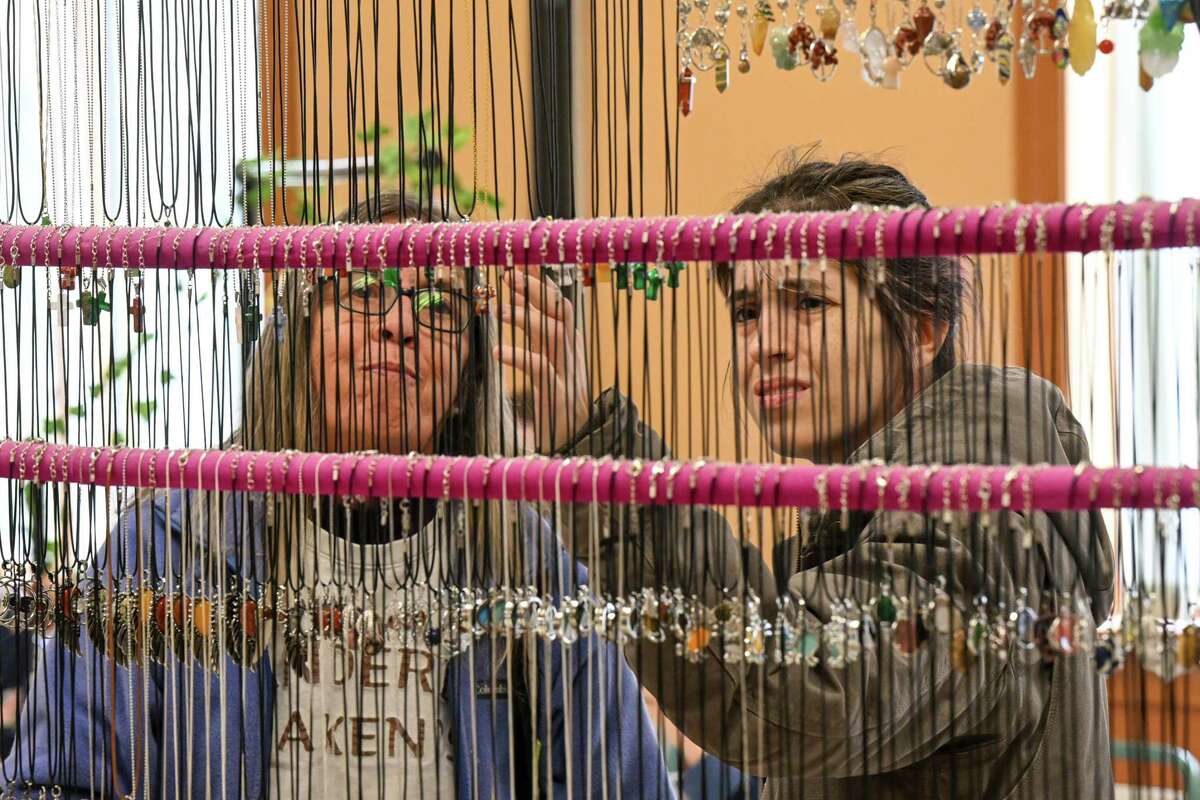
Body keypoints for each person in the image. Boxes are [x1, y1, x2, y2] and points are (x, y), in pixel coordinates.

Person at [4, 192, 672, 800]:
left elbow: (628, 782)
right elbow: (54, 781)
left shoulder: (522, 556)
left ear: (470, 365)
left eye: (438, 301)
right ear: (299, 335)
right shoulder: (166, 545)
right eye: (363, 289)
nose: (400, 324)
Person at [525, 154, 1115, 798]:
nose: (764, 342)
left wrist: (596, 445)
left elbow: (800, 690)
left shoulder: (978, 499)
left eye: (808, 301)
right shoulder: (870, 507)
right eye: (746, 311)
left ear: (924, 329)